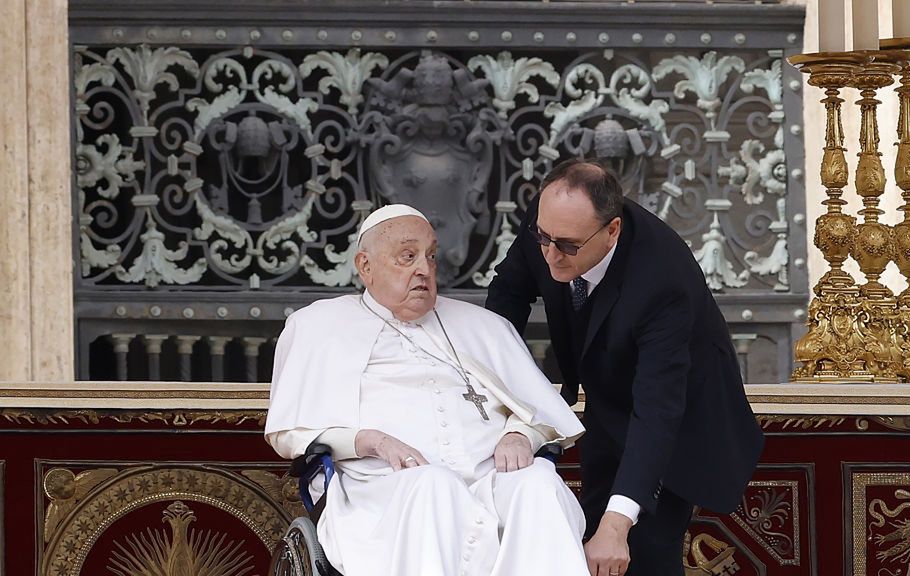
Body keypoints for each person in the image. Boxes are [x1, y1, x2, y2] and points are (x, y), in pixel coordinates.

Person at [265, 204, 589, 576]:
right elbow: (292, 433)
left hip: (490, 482)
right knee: (434, 486)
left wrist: (520, 433)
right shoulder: (318, 326)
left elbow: (539, 413)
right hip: (384, 490)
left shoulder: (482, 326)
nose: (424, 268)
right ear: (365, 266)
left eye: (431, 256)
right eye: (407, 256)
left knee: (539, 484)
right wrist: (371, 440)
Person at [486, 159, 764, 576]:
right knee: (590, 536)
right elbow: (508, 294)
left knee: (638, 549)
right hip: (606, 400)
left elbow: (657, 408)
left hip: (678, 421)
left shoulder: (663, 278)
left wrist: (617, 526)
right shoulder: (552, 223)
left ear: (611, 230)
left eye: (567, 246)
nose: (549, 255)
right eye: (543, 238)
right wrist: (500, 388)